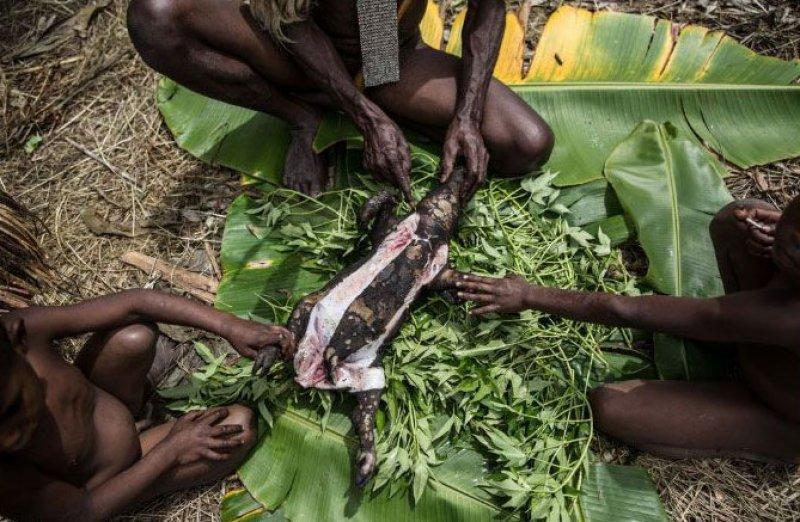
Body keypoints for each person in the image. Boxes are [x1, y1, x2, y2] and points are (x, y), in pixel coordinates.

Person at [451, 197, 800, 464]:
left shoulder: (786, 317)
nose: (792, 244)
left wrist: (527, 294)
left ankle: (775, 440)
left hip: (781, 412)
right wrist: (781, 230)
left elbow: (625, 310)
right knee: (741, 217)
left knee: (610, 407)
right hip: (761, 331)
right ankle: (736, 338)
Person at [126, 0, 554, 200]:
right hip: (288, 40)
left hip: (386, 49)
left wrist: (467, 115)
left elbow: (488, 8)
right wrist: (366, 119)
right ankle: (302, 116)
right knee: (156, 15)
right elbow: (292, 22)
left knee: (526, 143)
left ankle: (384, 108)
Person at [0, 290, 294, 520]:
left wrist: (230, 326)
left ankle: (141, 408)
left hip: (110, 401)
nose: (8, 437)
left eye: (12, 408)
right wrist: (170, 452)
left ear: (17, 343)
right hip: (101, 484)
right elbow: (77, 513)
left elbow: (136, 303)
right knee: (238, 429)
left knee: (133, 336)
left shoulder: (27, 329)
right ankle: (141, 490)